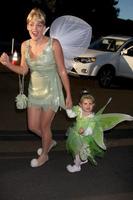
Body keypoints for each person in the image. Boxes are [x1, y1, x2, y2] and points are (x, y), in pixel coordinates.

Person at [0, 8, 72, 167]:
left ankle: (44, 155)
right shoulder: (25, 45)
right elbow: (24, 70)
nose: (35, 29)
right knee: (32, 126)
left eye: (39, 25)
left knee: (44, 126)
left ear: (44, 26)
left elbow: (61, 70)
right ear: (27, 26)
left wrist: (68, 95)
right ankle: (49, 141)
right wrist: (7, 65)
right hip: (34, 90)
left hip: (52, 90)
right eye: (32, 24)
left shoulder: (54, 44)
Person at [65, 90, 133, 173]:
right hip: (76, 135)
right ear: (80, 104)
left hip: (85, 138)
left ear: (93, 105)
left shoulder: (92, 118)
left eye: (90, 104)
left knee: (79, 153)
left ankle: (77, 166)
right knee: (78, 152)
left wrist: (84, 131)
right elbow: (71, 114)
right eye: (85, 103)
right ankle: (82, 159)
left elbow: (90, 130)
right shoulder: (79, 110)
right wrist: (68, 108)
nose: (88, 106)